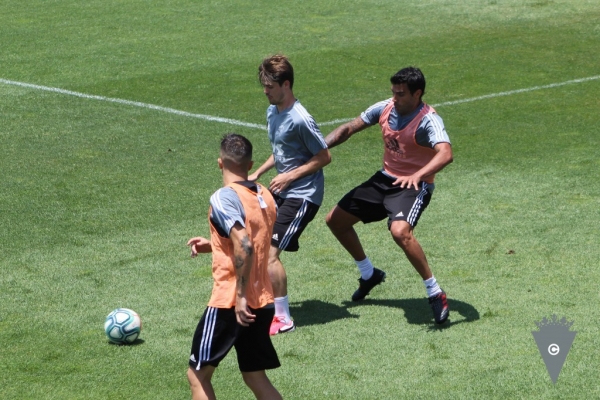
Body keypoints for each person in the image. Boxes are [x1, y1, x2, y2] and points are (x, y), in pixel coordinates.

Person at [324, 67, 453, 324]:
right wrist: (320, 146)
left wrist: (418, 176)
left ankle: (435, 292)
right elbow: (350, 127)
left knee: (399, 232)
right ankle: (369, 274)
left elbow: (445, 153)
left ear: (417, 94)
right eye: (393, 92)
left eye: (401, 94)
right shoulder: (386, 108)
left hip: (414, 186)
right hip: (385, 178)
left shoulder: (429, 120)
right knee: (335, 220)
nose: (395, 98)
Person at [186, 133, 282, 400]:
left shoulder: (223, 197)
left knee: (198, 375)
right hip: (263, 300)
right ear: (250, 165)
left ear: (220, 163)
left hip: (231, 302)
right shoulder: (265, 195)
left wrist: (239, 297)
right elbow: (256, 236)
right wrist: (214, 245)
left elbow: (246, 245)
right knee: (255, 376)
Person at [249, 54, 331, 335]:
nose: (265, 91)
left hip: (303, 194)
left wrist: (289, 175)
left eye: (270, 86)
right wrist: (258, 173)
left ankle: (284, 319)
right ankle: (266, 303)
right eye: (264, 85)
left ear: (286, 84)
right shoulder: (273, 111)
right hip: (282, 189)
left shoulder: (301, 119)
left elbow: (323, 156)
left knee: (270, 254)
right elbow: (282, 150)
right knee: (257, 243)